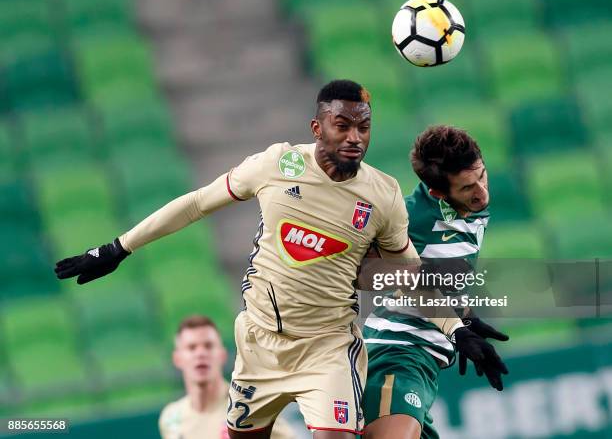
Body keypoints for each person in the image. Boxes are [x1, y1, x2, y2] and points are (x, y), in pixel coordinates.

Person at [55, 80, 499, 439]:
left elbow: (408, 274)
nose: (354, 137)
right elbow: (196, 203)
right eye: (342, 125)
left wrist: (455, 328)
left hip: (328, 347)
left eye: (363, 127)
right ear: (316, 127)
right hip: (259, 343)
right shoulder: (276, 165)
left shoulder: (382, 195)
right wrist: (119, 247)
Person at [361, 125, 509, 439]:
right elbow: (364, 272)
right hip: (396, 353)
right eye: (468, 186)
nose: (481, 191)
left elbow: (438, 277)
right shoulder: (409, 218)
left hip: (425, 362)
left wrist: (466, 318)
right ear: (438, 193)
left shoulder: (472, 211)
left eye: (482, 175)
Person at [159, 314, 294, 439]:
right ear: (177, 359)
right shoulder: (171, 417)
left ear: (222, 355)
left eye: (208, 346)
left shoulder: (249, 408)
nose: (200, 353)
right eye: (191, 347)